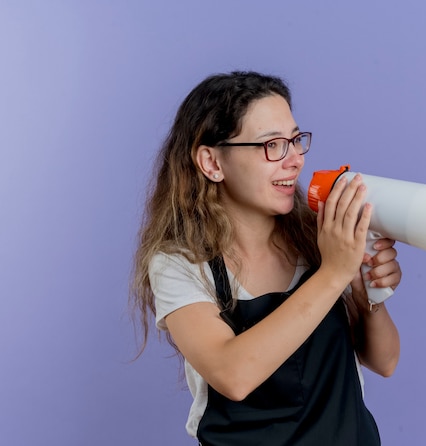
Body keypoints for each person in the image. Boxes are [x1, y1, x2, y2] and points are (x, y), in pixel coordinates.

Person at [131, 71, 402, 445]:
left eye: (295, 141)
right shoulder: (180, 263)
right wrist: (335, 272)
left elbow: (385, 361)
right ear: (212, 163)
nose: (294, 161)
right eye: (272, 145)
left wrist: (366, 292)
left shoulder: (318, 238)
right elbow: (233, 374)